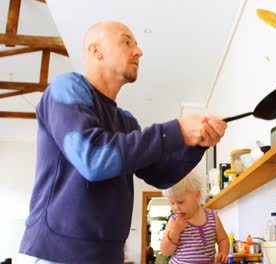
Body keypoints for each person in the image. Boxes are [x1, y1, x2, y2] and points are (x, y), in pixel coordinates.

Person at [18, 21, 227, 264]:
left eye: (137, 45)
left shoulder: (126, 122)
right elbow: (93, 158)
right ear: (96, 51)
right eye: (126, 42)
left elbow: (161, 174)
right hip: (55, 254)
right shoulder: (67, 88)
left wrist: (198, 143)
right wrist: (177, 130)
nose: (138, 51)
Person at [160, 173, 229, 264]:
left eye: (181, 202)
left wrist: (223, 253)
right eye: (172, 203)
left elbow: (223, 239)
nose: (176, 208)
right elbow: (165, 252)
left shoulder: (212, 217)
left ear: (197, 195)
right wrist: (175, 231)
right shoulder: (174, 221)